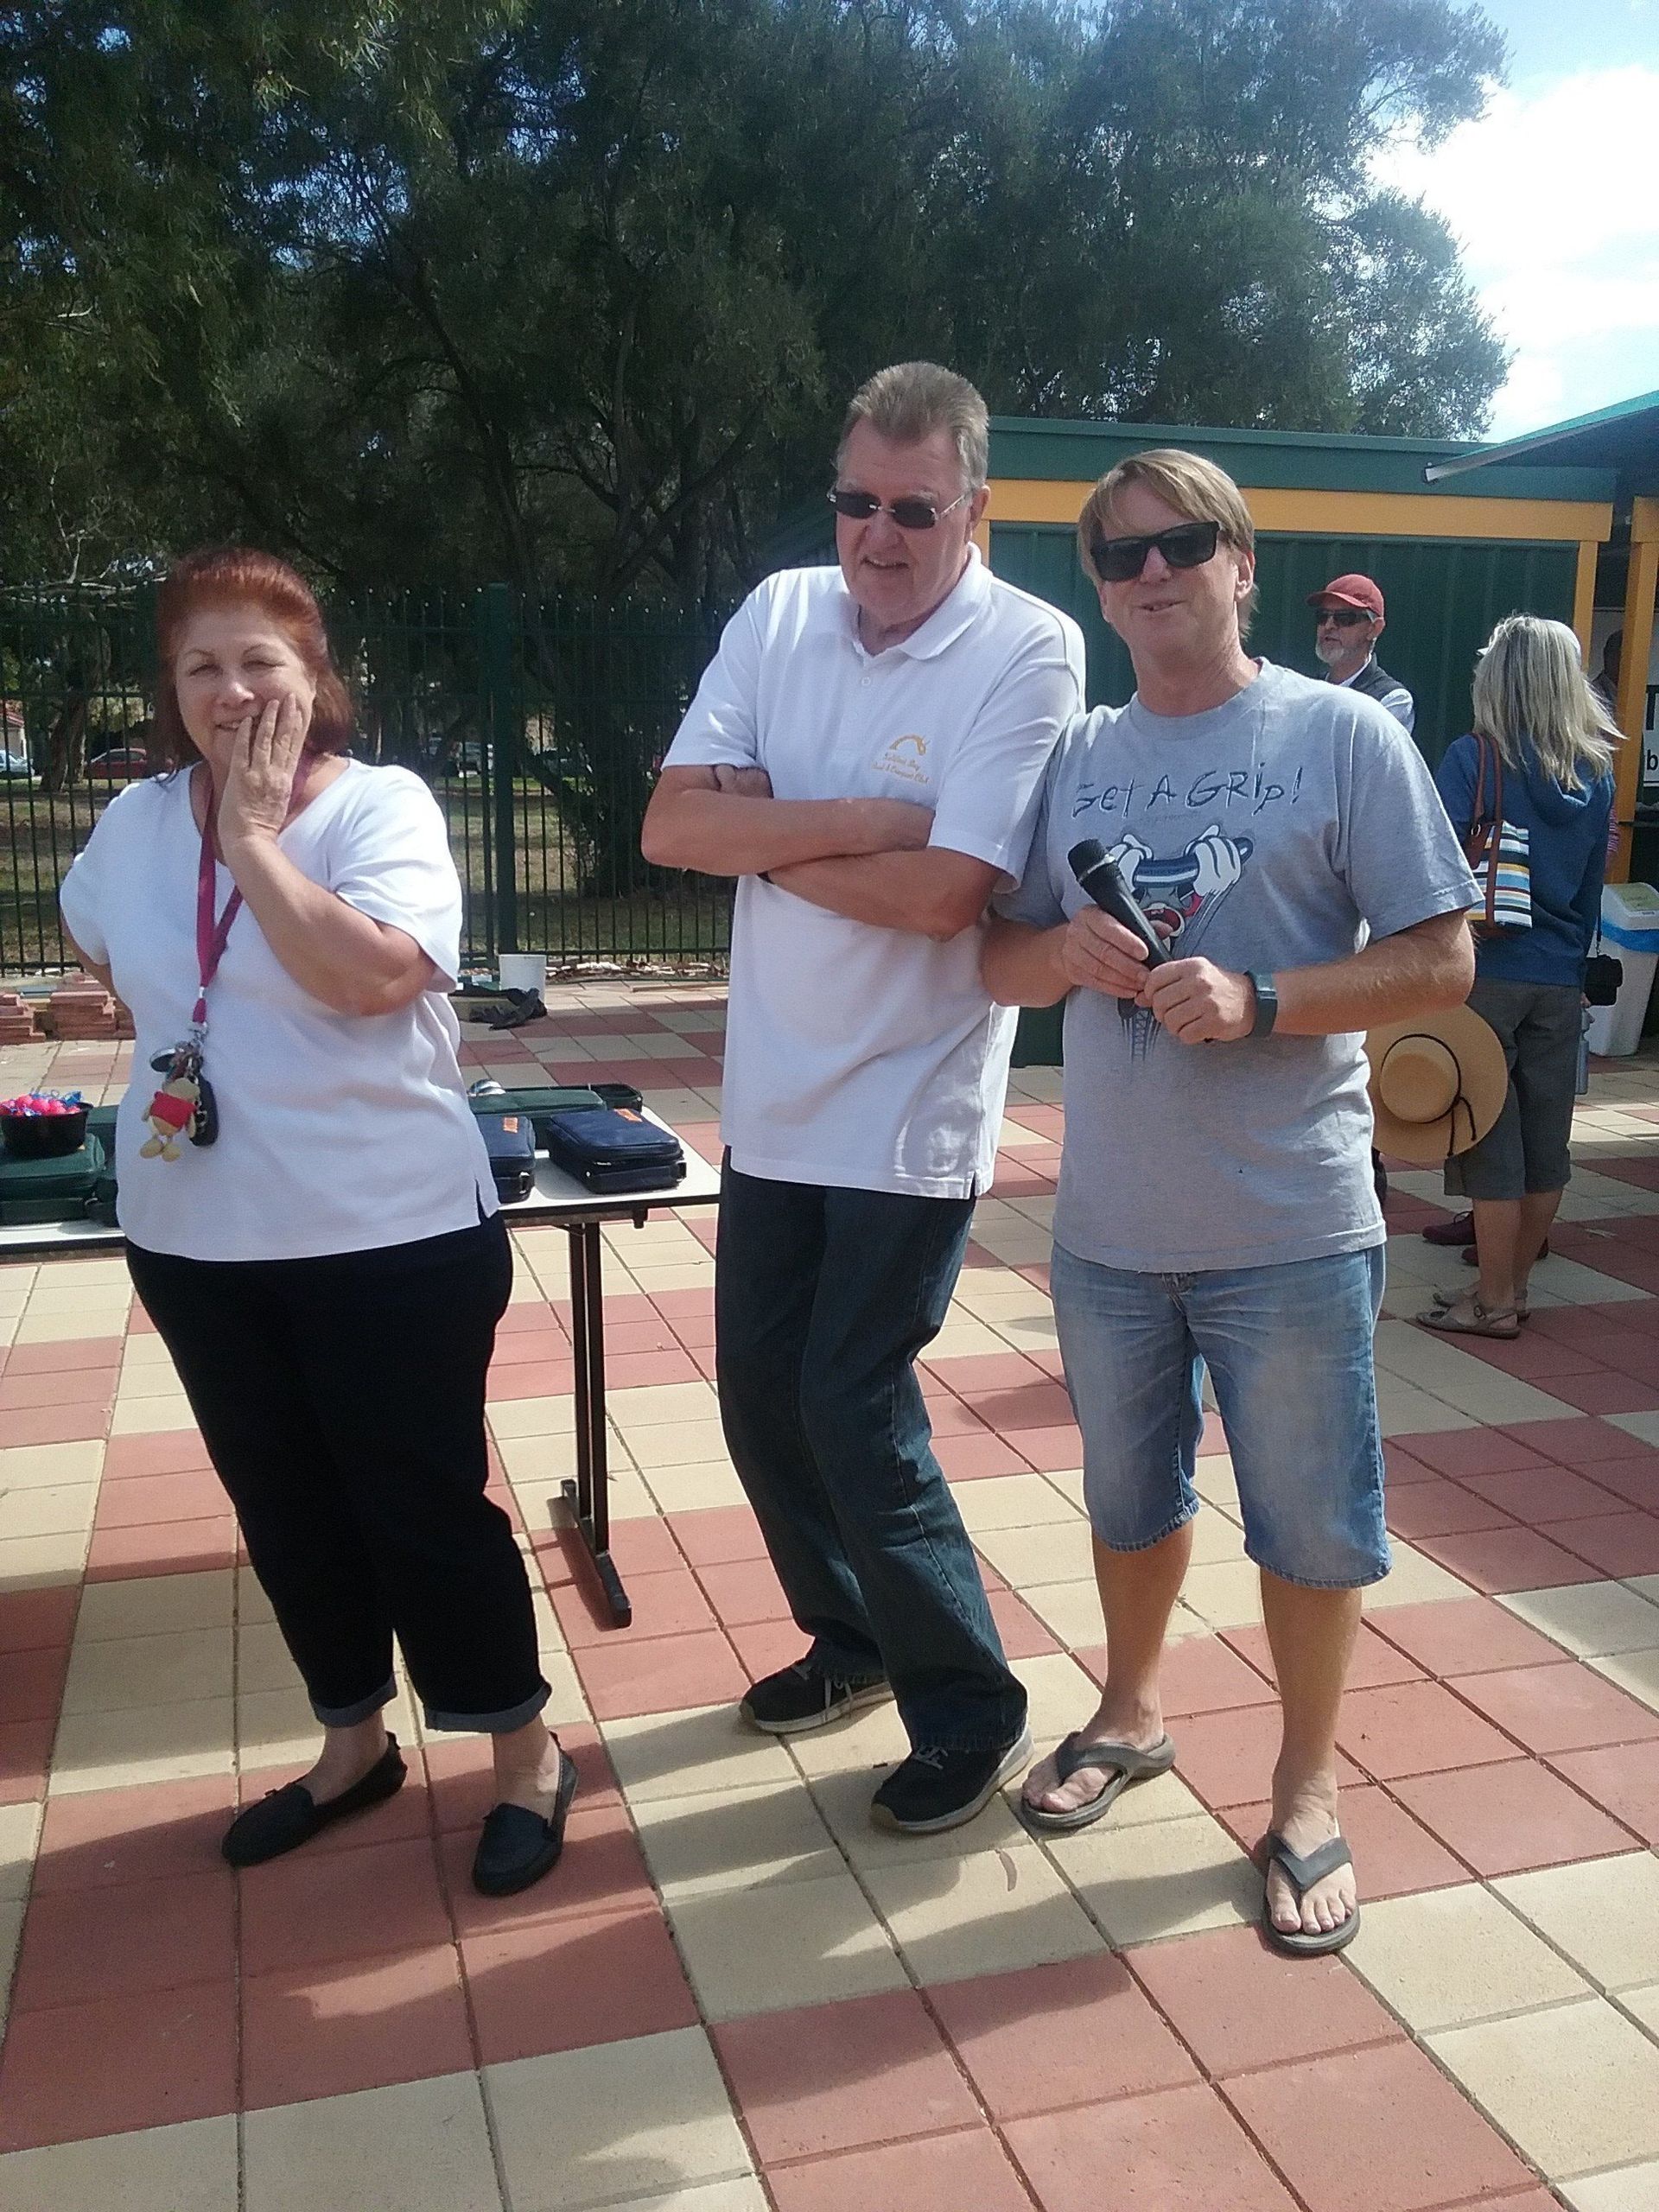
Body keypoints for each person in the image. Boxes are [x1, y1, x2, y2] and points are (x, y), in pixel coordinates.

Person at [982, 449, 1476, 1953]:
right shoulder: (1073, 754)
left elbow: (1442, 960)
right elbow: (993, 961)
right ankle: (1131, 1713)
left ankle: (1308, 1791)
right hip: (1110, 1227)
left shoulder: (1338, 737)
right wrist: (1060, 957)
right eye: (1119, 556)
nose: (1150, 573)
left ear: (1241, 559)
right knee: (1131, 1506)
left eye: (1181, 544)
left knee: (1312, 1526)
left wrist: (1264, 998)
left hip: (1292, 1226)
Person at [60, 547, 571, 1897]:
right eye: (200, 666)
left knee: (419, 1511)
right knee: (283, 1507)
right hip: (198, 1242)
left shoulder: (379, 809)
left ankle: (522, 1752)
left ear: (315, 675)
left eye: (260, 661)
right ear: (168, 689)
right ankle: (353, 1740)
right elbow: (100, 951)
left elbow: (371, 983)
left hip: (384, 1239)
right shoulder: (126, 828)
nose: (232, 690)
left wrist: (251, 840)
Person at [641, 362, 1085, 1833]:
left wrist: (758, 833)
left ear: (975, 509)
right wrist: (857, 826)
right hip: (772, 1103)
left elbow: (950, 895)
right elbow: (667, 825)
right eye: (855, 502)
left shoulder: (1027, 648)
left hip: (909, 1114)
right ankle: (849, 1643)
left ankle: (972, 1701)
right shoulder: (779, 613)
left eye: (912, 509)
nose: (877, 537)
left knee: (853, 1406)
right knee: (765, 1402)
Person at [1418, 615, 1618, 1338]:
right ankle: (1514, 1286)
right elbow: (1595, 882)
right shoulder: (1596, 772)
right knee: (1545, 1139)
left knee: (1487, 1139)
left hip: (1487, 969)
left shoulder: (1475, 758)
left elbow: (1430, 866)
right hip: (1562, 976)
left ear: (1497, 678)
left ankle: (1493, 1300)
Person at [1310, 575, 1414, 730]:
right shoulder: (1308, 687)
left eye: (1344, 618)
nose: (1329, 625)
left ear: (1374, 629)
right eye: (1322, 617)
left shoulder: (1392, 699)